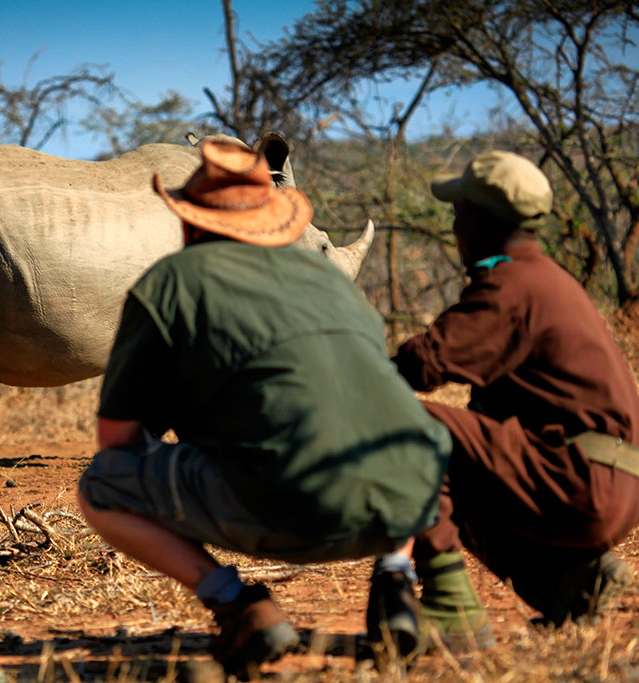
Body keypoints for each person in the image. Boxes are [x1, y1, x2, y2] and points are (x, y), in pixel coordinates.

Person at [77, 140, 453, 676]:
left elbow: (117, 440)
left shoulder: (173, 282)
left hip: (281, 509)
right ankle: (396, 580)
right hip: (405, 501)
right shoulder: (331, 280)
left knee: (103, 484)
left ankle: (238, 607)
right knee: (402, 434)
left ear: (187, 223)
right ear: (276, 224)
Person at [376, 150, 639, 649]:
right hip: (607, 483)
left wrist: (353, 370)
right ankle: (572, 585)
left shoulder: (512, 286)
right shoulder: (545, 279)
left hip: (577, 481)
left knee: (401, 423)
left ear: (481, 220)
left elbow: (422, 366)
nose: (454, 227)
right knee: (458, 474)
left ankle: (452, 609)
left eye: (459, 214)